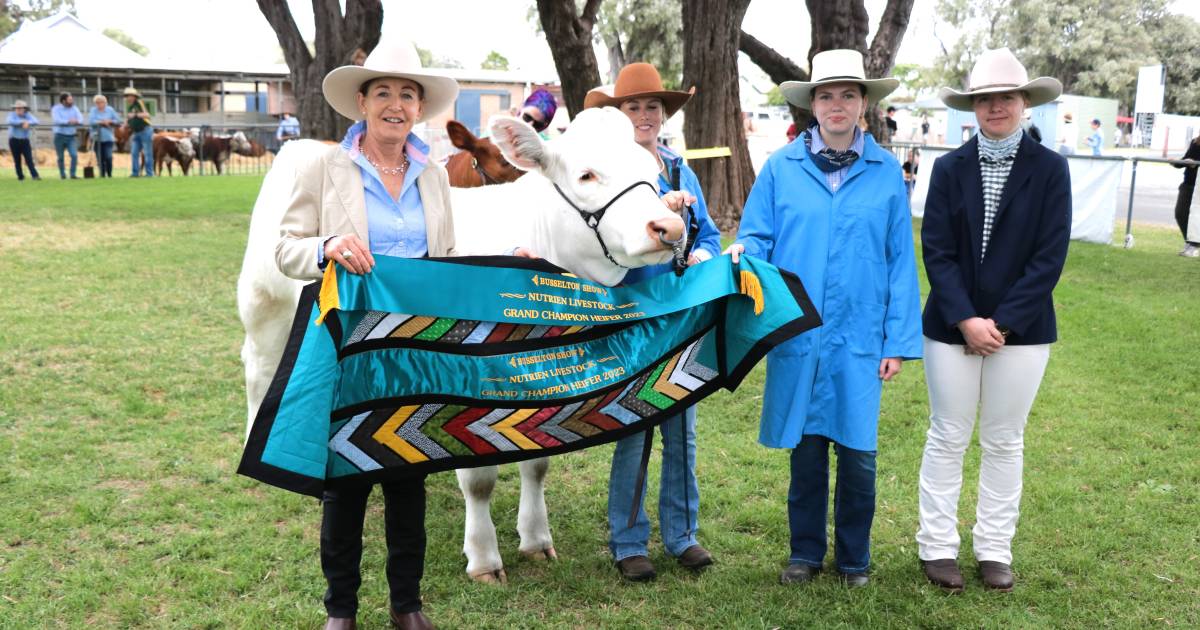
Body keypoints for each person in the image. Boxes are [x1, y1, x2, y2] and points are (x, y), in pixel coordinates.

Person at [275, 38, 459, 630]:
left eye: (408, 94)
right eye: (383, 92)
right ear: (362, 102)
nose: (396, 104)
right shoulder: (323, 168)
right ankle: (341, 610)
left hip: (412, 347)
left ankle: (407, 604)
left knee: (409, 472)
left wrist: (513, 266)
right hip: (346, 345)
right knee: (346, 479)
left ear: (419, 108)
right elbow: (285, 248)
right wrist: (327, 247)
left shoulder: (433, 176)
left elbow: (448, 259)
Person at [724, 49, 923, 588]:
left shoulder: (885, 173)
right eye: (827, 95)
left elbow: (900, 260)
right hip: (801, 330)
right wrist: (746, 250)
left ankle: (854, 558)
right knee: (807, 451)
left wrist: (896, 340)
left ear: (864, 104)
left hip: (859, 334)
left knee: (859, 457)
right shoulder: (780, 168)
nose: (837, 105)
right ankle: (805, 554)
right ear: (812, 104)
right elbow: (759, 234)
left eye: (848, 95)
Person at [917, 47, 1071, 593]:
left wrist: (1000, 323)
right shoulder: (949, 167)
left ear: (1025, 103)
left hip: (1022, 332)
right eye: (984, 100)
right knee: (948, 433)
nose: (995, 107)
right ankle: (936, 546)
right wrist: (965, 319)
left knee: (1005, 439)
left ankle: (994, 549)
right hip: (950, 326)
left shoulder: (1051, 170)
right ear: (973, 108)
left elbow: (1049, 258)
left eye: (1005, 97)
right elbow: (937, 249)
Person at [582, 62, 722, 583]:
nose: (643, 115)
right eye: (633, 107)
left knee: (682, 429)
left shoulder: (683, 172)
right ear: (619, 117)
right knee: (636, 429)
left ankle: (683, 535)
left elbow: (707, 235)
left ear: (664, 114)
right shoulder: (611, 179)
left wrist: (701, 251)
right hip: (636, 318)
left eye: (652, 107)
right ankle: (629, 540)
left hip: (682, 320)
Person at [1172, 135, 1200, 257]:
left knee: (1196, 216)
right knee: (1180, 213)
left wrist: (1196, 164)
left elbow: (1194, 162)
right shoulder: (1195, 142)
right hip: (1188, 184)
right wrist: (1176, 162)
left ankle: (1194, 246)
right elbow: (1186, 160)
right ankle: (1190, 243)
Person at [6, 100, 41, 181]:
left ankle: (35, 176)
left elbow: (36, 121)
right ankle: (20, 176)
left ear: (24, 109)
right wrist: (22, 122)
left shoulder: (27, 115)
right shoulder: (12, 115)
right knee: (17, 159)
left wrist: (28, 122)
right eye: (17, 108)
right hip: (14, 140)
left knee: (29, 159)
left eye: (20, 108)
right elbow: (10, 121)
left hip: (25, 140)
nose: (18, 110)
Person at [51, 92, 83, 179]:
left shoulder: (75, 108)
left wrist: (76, 121)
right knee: (60, 157)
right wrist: (69, 121)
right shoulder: (56, 109)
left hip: (71, 136)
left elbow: (80, 119)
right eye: (69, 100)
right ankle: (62, 174)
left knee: (74, 155)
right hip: (59, 136)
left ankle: (73, 174)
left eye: (72, 99)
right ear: (63, 100)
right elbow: (57, 120)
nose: (72, 101)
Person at [88, 94, 120, 178]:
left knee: (108, 156)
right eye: (97, 103)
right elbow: (91, 121)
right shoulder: (93, 110)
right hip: (96, 138)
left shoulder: (110, 110)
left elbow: (118, 121)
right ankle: (102, 174)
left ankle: (109, 174)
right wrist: (101, 122)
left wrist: (110, 121)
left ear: (105, 103)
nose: (100, 104)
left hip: (108, 137)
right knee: (100, 158)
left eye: (101, 102)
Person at [124, 87, 154, 177]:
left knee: (147, 153)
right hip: (136, 132)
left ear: (134, 96)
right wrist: (126, 123)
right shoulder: (130, 107)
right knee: (134, 153)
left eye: (129, 96)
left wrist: (135, 115)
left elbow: (147, 115)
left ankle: (149, 173)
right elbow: (130, 119)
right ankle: (135, 173)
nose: (128, 98)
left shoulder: (140, 103)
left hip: (145, 130)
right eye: (126, 96)